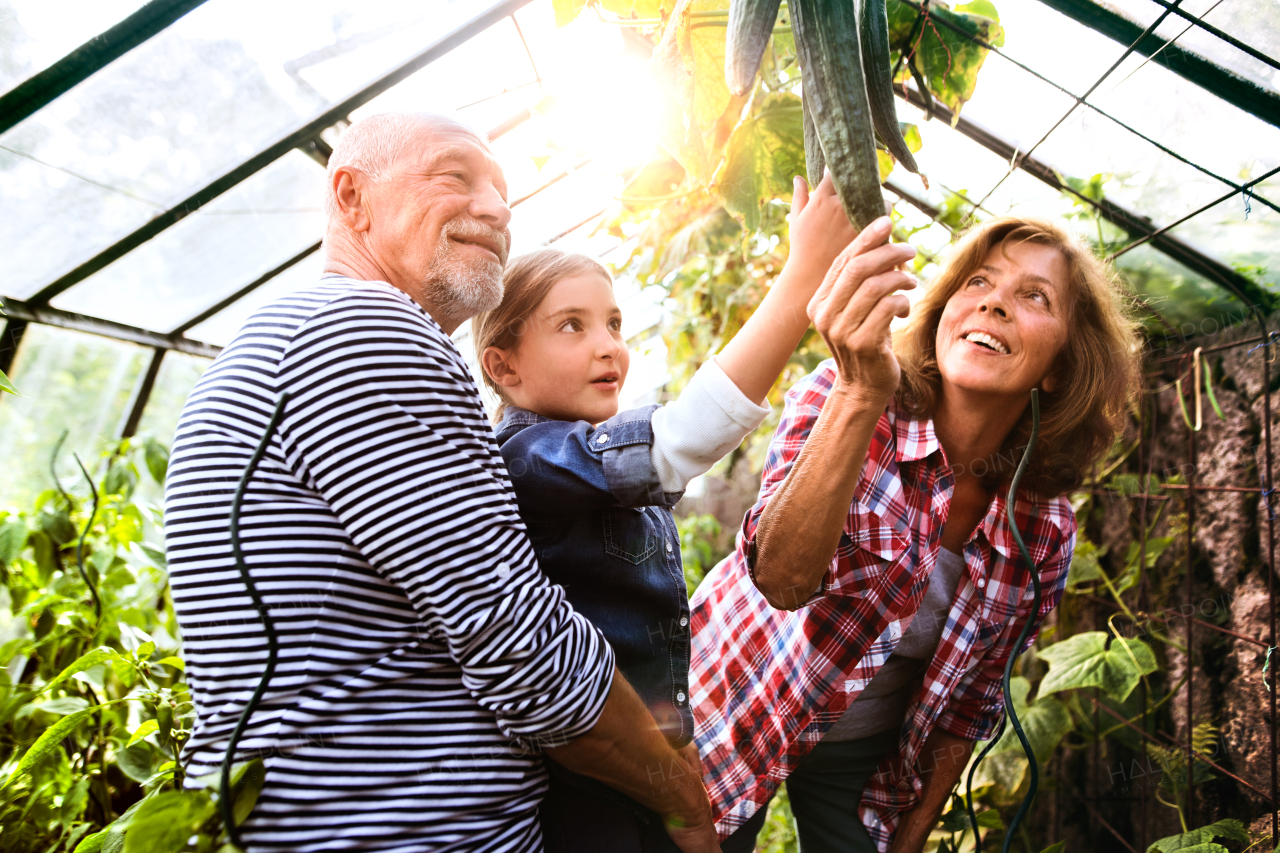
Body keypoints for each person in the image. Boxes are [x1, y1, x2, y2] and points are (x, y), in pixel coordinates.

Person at [164, 113, 719, 853]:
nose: (496, 209)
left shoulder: (290, 337)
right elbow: (523, 644)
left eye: (504, 194)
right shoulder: (365, 330)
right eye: (455, 177)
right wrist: (683, 800)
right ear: (353, 198)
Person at [688, 217, 1142, 853]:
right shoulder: (843, 398)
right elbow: (781, 578)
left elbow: (968, 709)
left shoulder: (1043, 530)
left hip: (865, 757)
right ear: (943, 317)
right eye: (978, 281)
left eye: (1034, 296)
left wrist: (911, 841)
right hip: (735, 709)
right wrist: (857, 392)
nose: (992, 301)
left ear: (1060, 370)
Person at [472, 170, 862, 852]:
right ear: (503, 368)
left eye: (614, 323)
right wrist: (800, 280)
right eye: (573, 325)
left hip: (645, 758)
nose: (609, 345)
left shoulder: (582, 463)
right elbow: (683, 439)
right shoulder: (532, 458)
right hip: (587, 780)